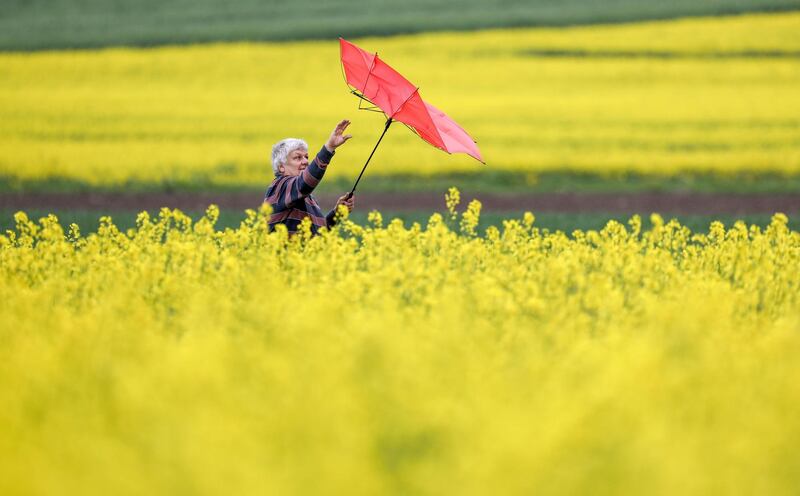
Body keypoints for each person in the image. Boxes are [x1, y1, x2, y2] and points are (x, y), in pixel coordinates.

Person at [264, 119, 355, 235]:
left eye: (306, 157)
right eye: (298, 157)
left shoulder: (306, 198)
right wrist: (329, 148)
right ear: (281, 167)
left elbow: (318, 235)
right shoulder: (280, 187)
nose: (306, 162)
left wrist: (337, 213)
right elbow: (304, 184)